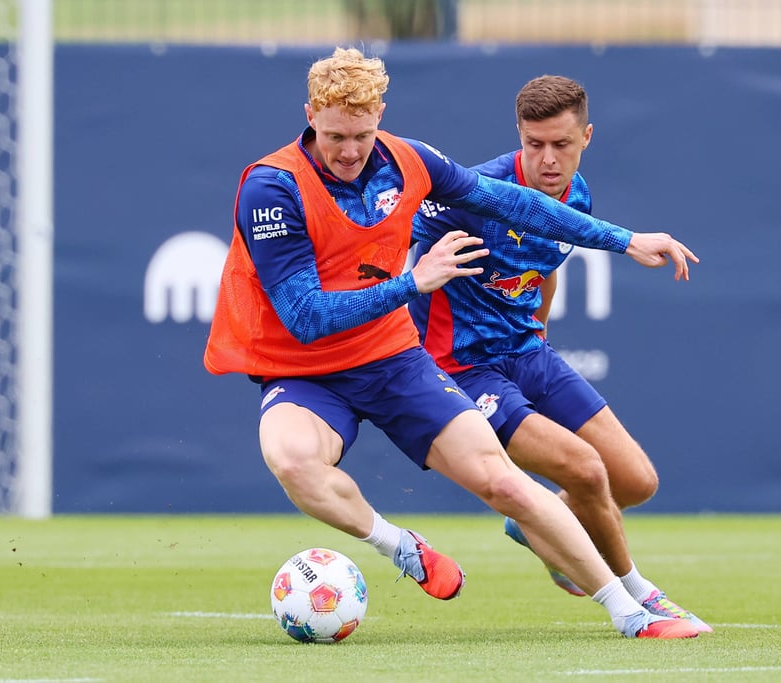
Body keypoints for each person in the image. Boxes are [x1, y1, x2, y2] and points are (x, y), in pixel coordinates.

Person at [204, 47, 700, 639]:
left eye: (361, 134)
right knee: (290, 460)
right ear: (309, 113)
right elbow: (306, 317)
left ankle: (632, 611)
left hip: (391, 358)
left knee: (507, 481)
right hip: (304, 369)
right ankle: (399, 545)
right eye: (334, 134)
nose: (348, 151)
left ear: (381, 115)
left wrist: (623, 240)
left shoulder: (412, 160)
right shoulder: (271, 186)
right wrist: (414, 282)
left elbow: (514, 204)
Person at [409, 75, 711, 632]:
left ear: (587, 137)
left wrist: (539, 330)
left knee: (637, 482)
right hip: (462, 369)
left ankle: (537, 524)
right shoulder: (472, 194)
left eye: (562, 145)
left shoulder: (579, 195)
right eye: (534, 144)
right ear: (519, 137)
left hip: (527, 351)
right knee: (587, 471)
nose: (548, 159)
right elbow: (397, 248)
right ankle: (640, 598)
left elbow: (543, 269)